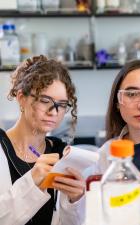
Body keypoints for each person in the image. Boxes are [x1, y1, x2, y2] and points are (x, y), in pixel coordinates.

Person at [0, 56, 85, 225]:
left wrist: (76, 200)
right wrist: (32, 180)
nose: (53, 112)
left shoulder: (62, 154)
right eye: (45, 101)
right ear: (21, 98)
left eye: (61, 105)